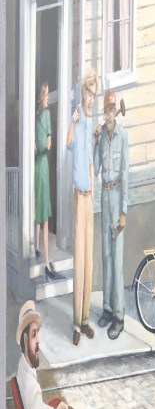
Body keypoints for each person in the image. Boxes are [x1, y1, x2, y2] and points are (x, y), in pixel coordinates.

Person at [66, 71, 98, 346]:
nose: (92, 99)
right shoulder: (77, 119)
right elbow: (67, 145)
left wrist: (93, 191)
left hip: (89, 197)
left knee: (88, 260)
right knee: (78, 260)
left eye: (95, 94)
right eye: (90, 93)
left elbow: (89, 162)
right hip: (77, 196)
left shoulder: (90, 124)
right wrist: (73, 124)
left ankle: (86, 319)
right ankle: (76, 323)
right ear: (83, 92)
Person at [94, 90, 129, 340]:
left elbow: (125, 173)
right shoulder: (102, 139)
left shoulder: (122, 136)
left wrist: (124, 210)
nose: (108, 114)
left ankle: (119, 315)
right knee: (106, 256)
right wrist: (95, 141)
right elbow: (96, 168)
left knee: (117, 260)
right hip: (104, 197)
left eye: (110, 109)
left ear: (115, 111)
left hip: (117, 197)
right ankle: (107, 308)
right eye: (105, 110)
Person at [34, 82, 59, 280]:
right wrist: (44, 144)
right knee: (44, 216)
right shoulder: (46, 115)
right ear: (41, 97)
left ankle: (36, 248)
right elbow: (48, 145)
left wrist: (38, 146)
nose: (48, 98)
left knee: (38, 210)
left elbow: (37, 146)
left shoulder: (36, 117)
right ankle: (46, 262)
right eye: (47, 95)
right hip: (41, 165)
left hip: (37, 164)